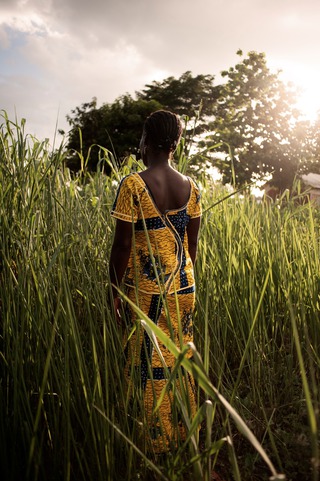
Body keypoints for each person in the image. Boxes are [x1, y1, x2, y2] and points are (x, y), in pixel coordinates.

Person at [109, 110, 202, 453]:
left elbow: (121, 247)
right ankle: (183, 434)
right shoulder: (192, 187)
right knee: (179, 358)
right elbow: (191, 248)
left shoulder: (133, 184)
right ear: (175, 144)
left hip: (146, 293)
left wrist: (114, 291)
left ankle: (153, 445)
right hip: (184, 288)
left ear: (146, 141)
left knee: (146, 364)